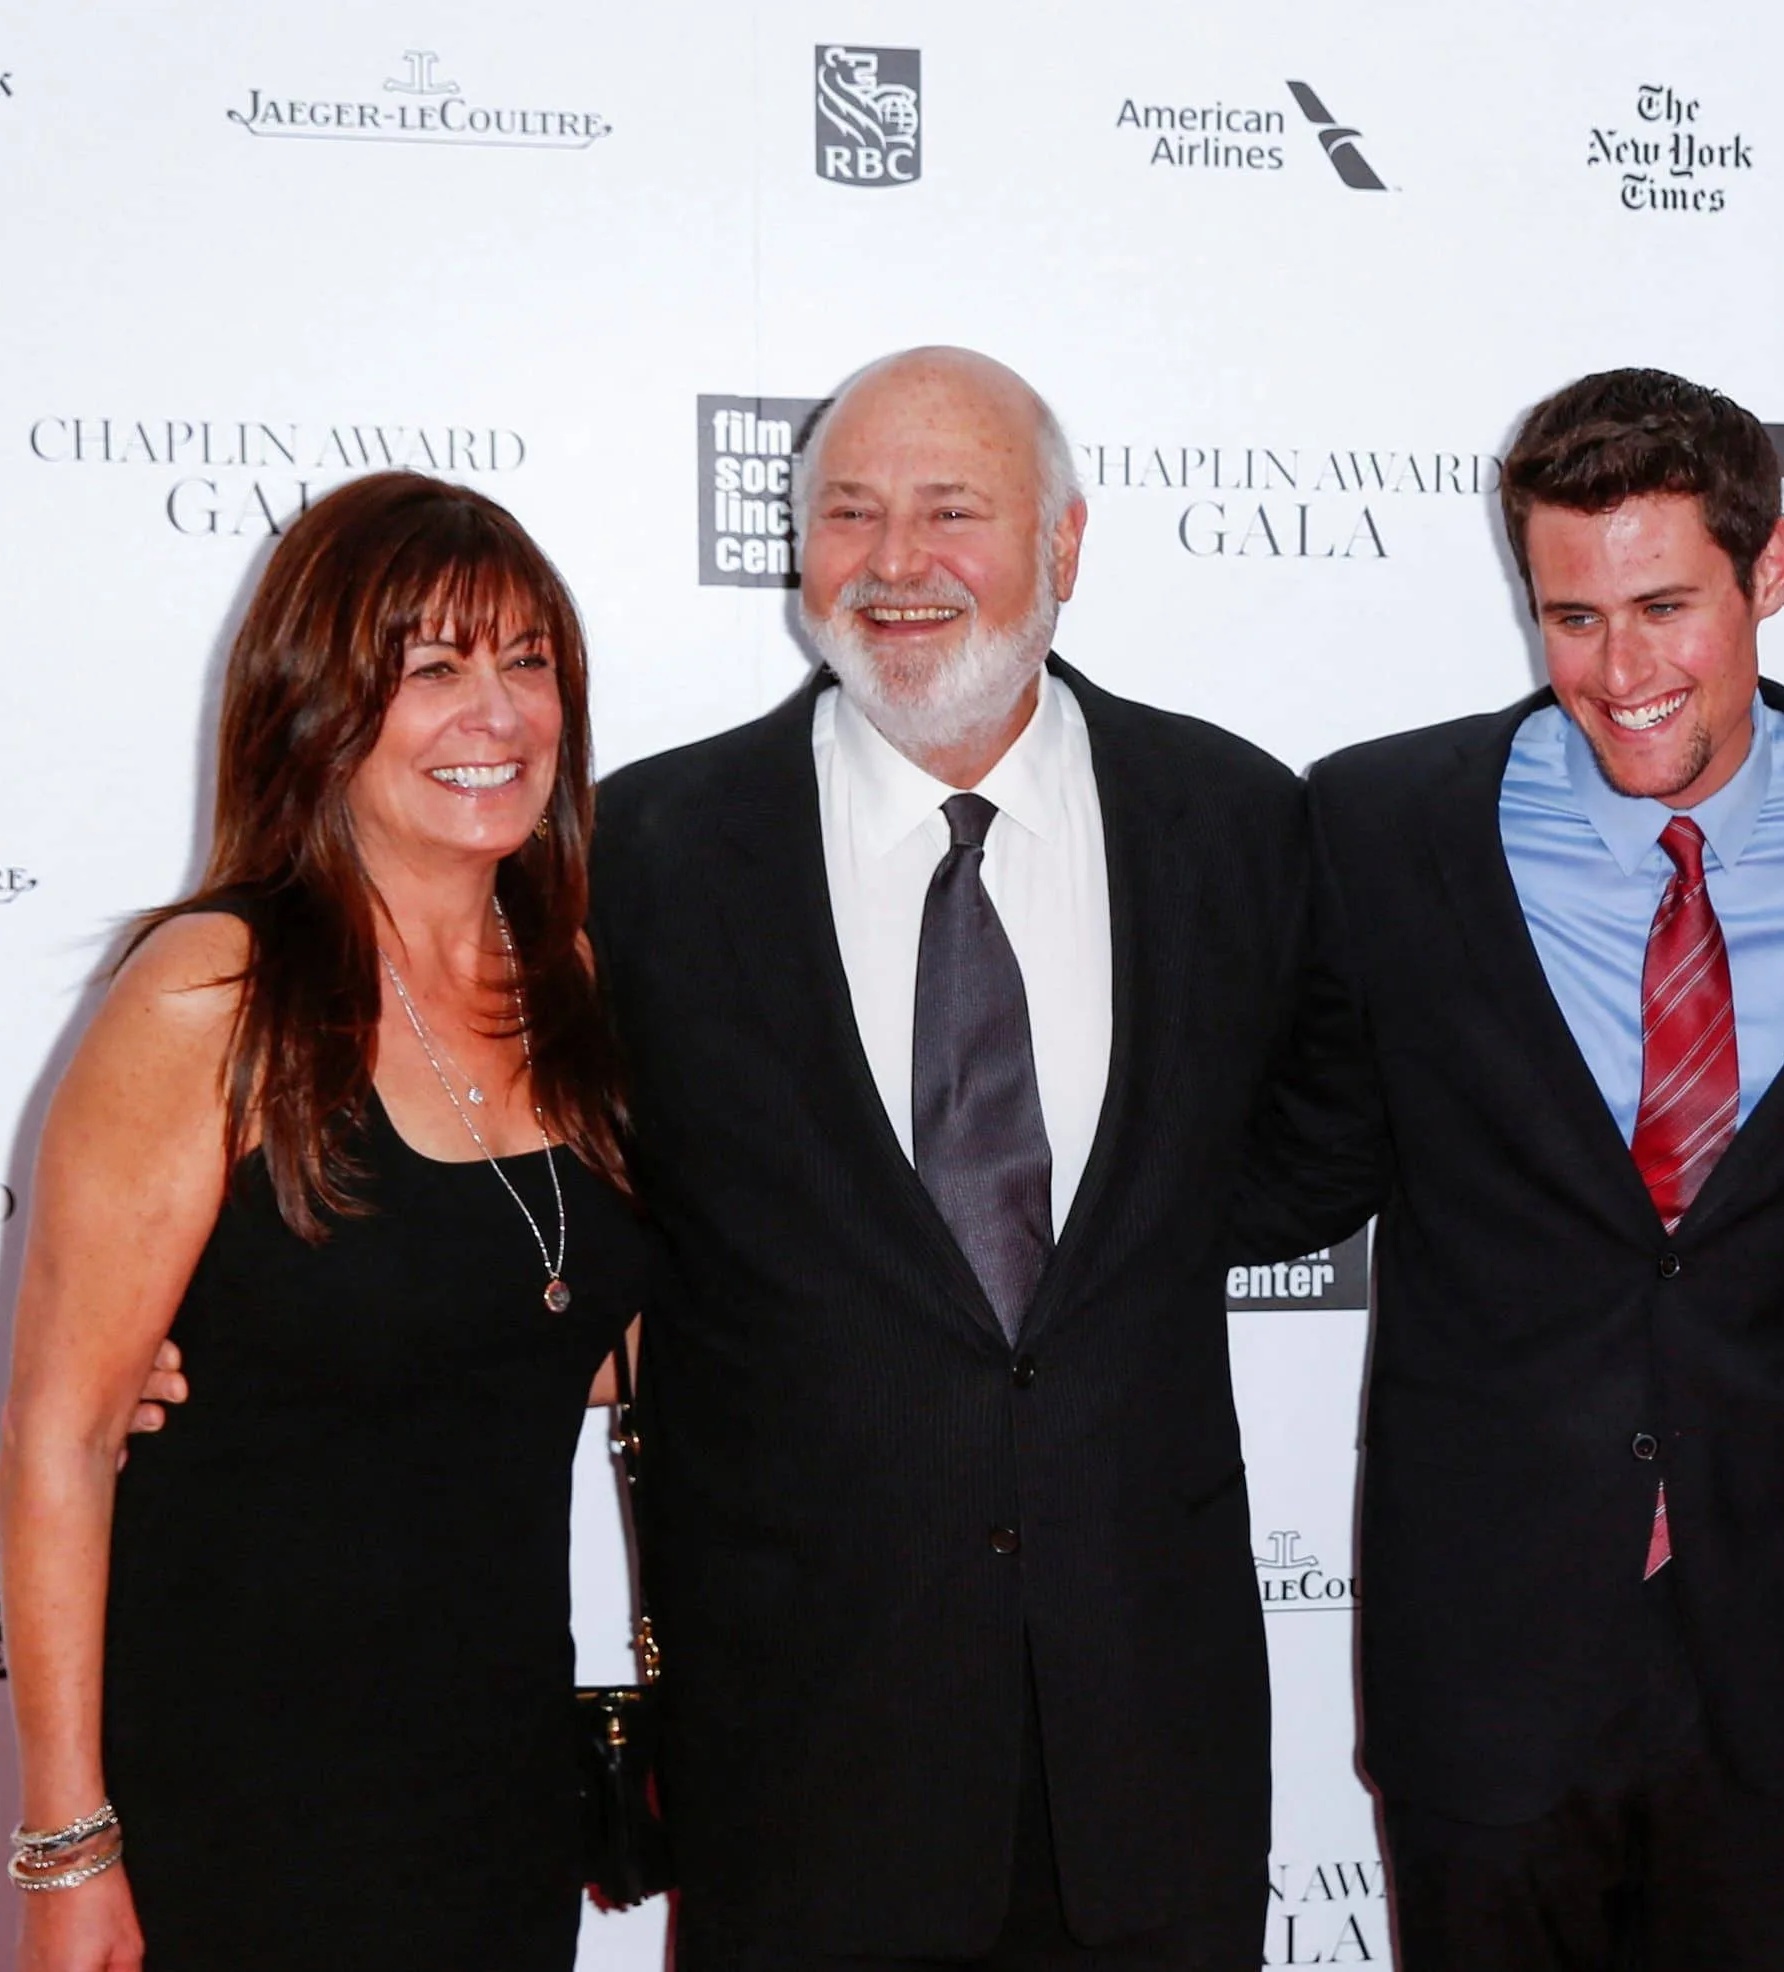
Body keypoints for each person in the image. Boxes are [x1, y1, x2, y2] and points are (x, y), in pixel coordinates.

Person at [1236, 368, 1784, 1971]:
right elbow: (1302, 1161)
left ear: (1772, 568)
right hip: (1488, 1631)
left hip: (1782, 1626)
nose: (1620, 670)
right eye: (1570, 617)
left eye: (1665, 607)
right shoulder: (1381, 826)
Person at [587, 347, 1303, 1970]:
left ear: (1063, 545)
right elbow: (544, 1184)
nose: (895, 563)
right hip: (802, 1733)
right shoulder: (648, 851)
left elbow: (1305, 1153)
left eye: (950, 512)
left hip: (1148, 1732)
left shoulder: (1236, 820)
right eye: (848, 512)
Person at [0, 470, 654, 1971]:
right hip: (240, 1795)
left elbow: (571, 1333)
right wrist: (66, 1844)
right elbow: (61, 1434)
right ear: (318, 705)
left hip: (493, 1786)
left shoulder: (575, 984)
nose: (494, 713)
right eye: (431, 670)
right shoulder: (214, 992)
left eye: (527, 662)